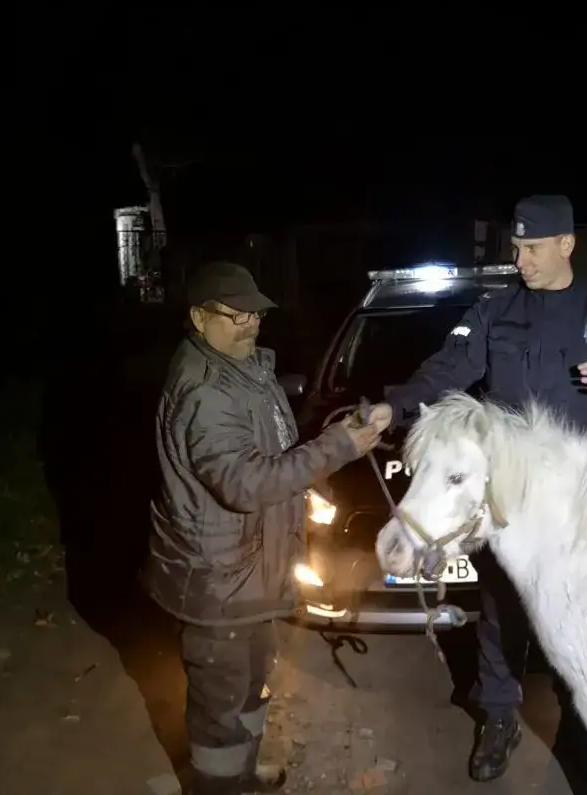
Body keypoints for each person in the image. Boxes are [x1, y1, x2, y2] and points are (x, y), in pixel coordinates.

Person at [366, 194, 587, 782]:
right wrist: (391, 408)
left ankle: (585, 727)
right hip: (509, 501)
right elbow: (445, 371)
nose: (519, 259)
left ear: (566, 245)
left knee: (585, 617)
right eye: (517, 247)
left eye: (530, 248)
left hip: (580, 506)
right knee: (502, 613)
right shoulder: (496, 310)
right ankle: (498, 717)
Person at [145, 261, 387, 795]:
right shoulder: (205, 392)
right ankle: (220, 785)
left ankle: (245, 771)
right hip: (219, 583)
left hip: (250, 573)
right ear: (198, 317)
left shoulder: (245, 366)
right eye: (236, 315)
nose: (251, 323)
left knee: (252, 688)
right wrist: (339, 448)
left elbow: (271, 450)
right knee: (221, 709)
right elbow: (244, 484)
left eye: (256, 312)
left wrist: (315, 467)